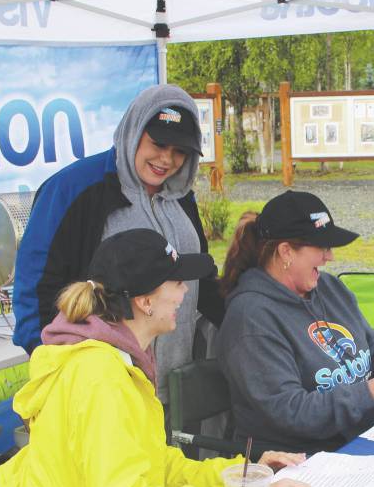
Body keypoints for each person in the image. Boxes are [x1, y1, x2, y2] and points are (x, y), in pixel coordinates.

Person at [0, 228, 316, 487]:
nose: (185, 292)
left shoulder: (113, 359)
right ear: (144, 301)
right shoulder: (102, 380)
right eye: (176, 282)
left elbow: (156, 465)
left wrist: (246, 474)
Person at [13, 83, 224, 399]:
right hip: (101, 393)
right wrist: (57, 371)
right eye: (158, 144)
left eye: (180, 151)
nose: (166, 159)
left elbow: (199, 281)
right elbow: (34, 291)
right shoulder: (74, 189)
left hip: (172, 386)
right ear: (134, 129)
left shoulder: (181, 198)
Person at [215, 191, 374, 455]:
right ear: (286, 251)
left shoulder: (329, 288)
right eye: (322, 247)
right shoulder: (250, 318)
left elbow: (372, 344)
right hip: (300, 460)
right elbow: (289, 411)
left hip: (362, 439)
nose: (329, 257)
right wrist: (368, 394)